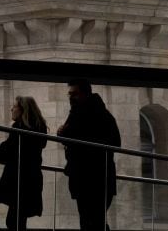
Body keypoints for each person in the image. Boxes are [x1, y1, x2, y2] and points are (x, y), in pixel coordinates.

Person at [57, 78, 120, 231]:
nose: (71, 98)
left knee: (92, 222)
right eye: (69, 94)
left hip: (94, 179)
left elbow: (113, 142)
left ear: (85, 94)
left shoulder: (93, 114)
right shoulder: (84, 112)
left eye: (75, 94)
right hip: (88, 179)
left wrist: (66, 133)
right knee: (92, 221)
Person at [0, 95, 48, 231]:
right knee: (19, 220)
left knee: (13, 222)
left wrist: (7, 137)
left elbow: (3, 154)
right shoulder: (38, 128)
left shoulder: (19, 128)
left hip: (18, 181)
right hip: (31, 181)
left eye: (14, 106)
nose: (11, 109)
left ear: (22, 109)